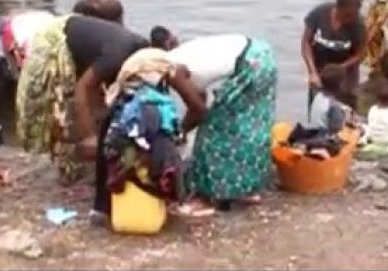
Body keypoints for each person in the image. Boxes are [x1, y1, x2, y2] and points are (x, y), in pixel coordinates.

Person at [15, 15, 155, 183]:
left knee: (100, 110)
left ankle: (89, 153)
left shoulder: (138, 53)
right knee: (61, 112)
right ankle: (68, 163)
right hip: (56, 41)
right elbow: (82, 88)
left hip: (83, 44)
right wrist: (90, 137)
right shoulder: (116, 56)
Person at [161, 33, 278, 212]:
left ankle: (205, 197)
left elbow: (199, 110)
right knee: (249, 126)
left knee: (212, 132)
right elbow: (199, 98)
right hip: (262, 55)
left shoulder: (170, 70)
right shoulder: (177, 57)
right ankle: (247, 189)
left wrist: (181, 131)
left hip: (250, 65)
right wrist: (184, 129)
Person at [93, 46, 208, 222]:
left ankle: (101, 208)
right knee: (158, 149)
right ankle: (164, 196)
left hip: (124, 97)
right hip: (137, 99)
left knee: (112, 146)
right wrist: (181, 133)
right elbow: (198, 108)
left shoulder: (157, 68)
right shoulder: (175, 70)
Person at [301, 0, 367, 111]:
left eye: (354, 15)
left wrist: (340, 68)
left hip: (346, 75)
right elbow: (306, 43)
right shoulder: (319, 14)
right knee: (318, 108)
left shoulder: (358, 23)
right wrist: (312, 72)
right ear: (337, 7)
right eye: (347, 15)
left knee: (346, 111)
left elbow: (361, 53)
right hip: (320, 71)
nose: (350, 19)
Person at [308, 63, 347, 133]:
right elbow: (337, 129)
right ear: (340, 85)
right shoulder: (334, 106)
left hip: (313, 132)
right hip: (323, 137)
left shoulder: (317, 96)